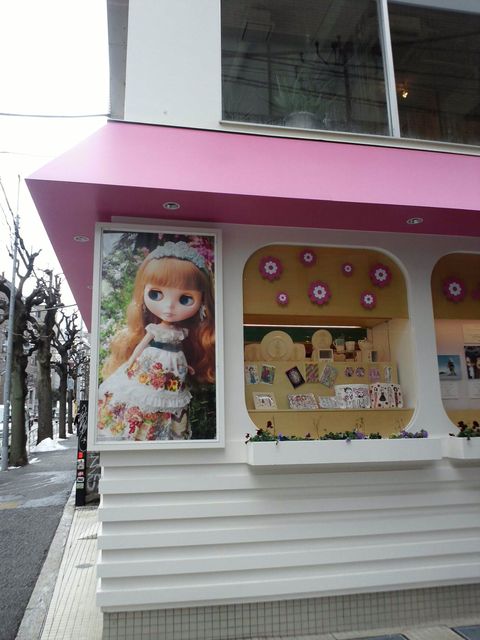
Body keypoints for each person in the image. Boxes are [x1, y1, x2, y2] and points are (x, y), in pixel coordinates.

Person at [97, 240, 215, 441]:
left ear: (202, 302)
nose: (169, 307)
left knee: (167, 401)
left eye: (185, 299)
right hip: (151, 364)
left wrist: (187, 367)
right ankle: (138, 429)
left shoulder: (181, 333)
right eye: (156, 294)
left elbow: (180, 352)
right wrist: (131, 360)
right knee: (143, 395)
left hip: (174, 370)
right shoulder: (154, 329)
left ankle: (160, 431)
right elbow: (142, 345)